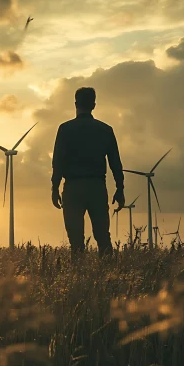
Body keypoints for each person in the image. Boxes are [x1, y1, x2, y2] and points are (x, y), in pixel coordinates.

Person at [51, 87, 125, 257]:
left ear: (76, 103)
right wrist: (120, 189)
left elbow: (58, 162)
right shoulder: (105, 130)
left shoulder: (65, 129)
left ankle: (78, 276)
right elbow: (115, 163)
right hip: (97, 187)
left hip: (73, 187)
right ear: (94, 105)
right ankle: (108, 276)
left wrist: (54, 187)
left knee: (76, 240)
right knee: (103, 236)